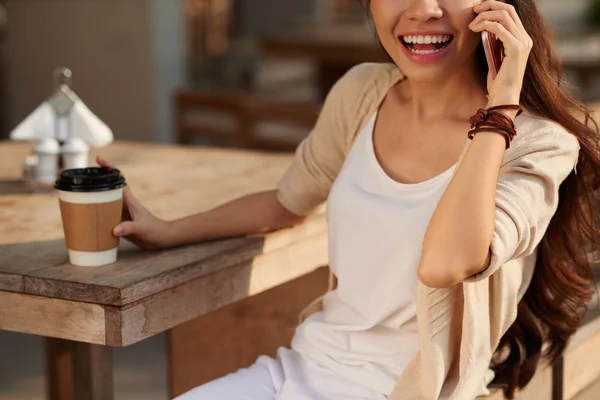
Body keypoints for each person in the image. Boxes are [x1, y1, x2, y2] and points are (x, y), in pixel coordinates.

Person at [98, 0, 600, 398]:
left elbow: (447, 263)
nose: (424, 9)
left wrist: (500, 110)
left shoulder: (537, 142)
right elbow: (285, 200)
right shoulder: (362, 93)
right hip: (302, 369)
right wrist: (165, 229)